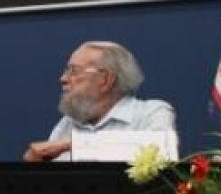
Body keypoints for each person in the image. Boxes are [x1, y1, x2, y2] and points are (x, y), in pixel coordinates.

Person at [24, 41, 176, 162]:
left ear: (106, 80)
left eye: (74, 71)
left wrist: (72, 145)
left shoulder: (151, 112)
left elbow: (160, 152)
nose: (63, 78)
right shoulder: (68, 123)